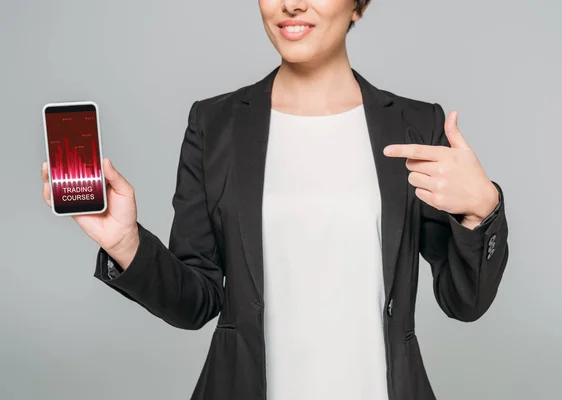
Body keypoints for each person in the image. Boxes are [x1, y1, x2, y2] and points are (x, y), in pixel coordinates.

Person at [41, 1, 509, 399]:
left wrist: (481, 210)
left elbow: (463, 302)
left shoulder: (414, 125)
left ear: (359, 5)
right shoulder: (214, 125)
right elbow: (196, 303)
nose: (291, 4)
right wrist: (126, 244)